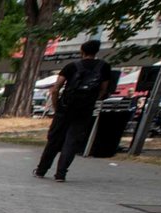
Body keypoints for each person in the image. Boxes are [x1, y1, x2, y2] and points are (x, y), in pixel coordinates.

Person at [34, 39, 112, 182]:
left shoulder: (71, 66)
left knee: (54, 140)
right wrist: (91, 101)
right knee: (72, 141)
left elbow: (56, 88)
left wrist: (57, 105)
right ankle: (61, 174)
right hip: (84, 110)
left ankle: (41, 170)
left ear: (82, 51)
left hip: (65, 108)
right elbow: (103, 90)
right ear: (96, 52)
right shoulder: (104, 67)